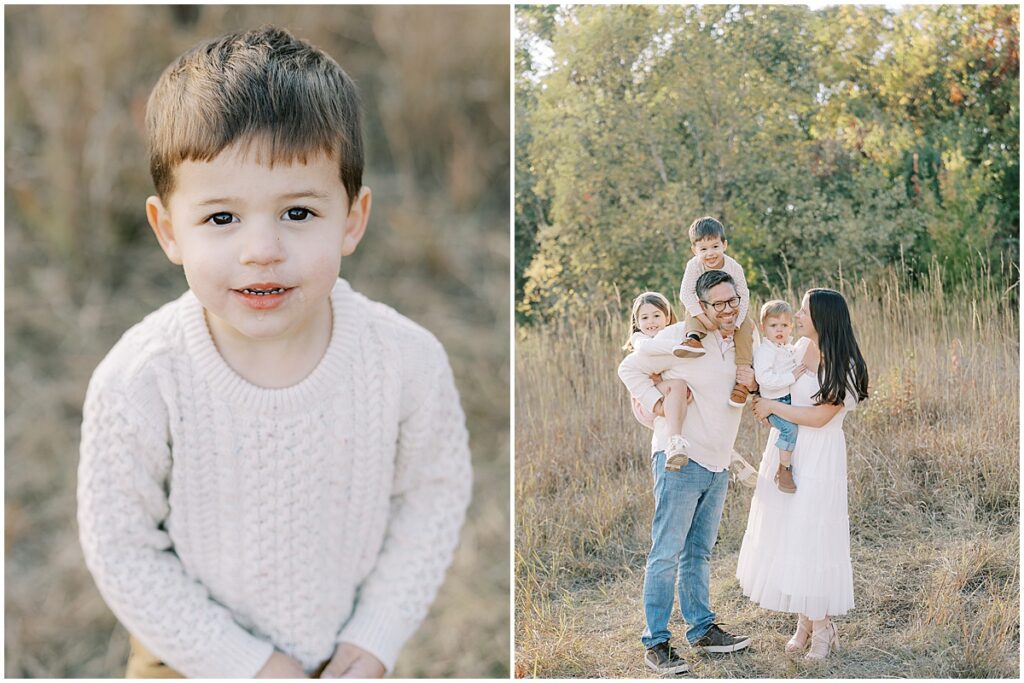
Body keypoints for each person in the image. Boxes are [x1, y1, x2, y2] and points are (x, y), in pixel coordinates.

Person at [77, 27, 472, 679]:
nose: (261, 248)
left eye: (296, 212)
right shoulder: (141, 377)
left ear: (352, 217)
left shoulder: (406, 361)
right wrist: (249, 664)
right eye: (222, 218)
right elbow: (120, 547)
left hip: (341, 650)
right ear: (168, 228)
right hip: (189, 654)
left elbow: (433, 494)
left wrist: (375, 636)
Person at [634, 270, 758, 676]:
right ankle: (656, 642)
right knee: (666, 552)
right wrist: (656, 408)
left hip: (719, 463)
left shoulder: (744, 342)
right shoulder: (678, 338)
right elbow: (629, 368)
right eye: (718, 304)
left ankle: (702, 629)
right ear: (701, 308)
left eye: (732, 300)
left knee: (698, 552)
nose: (728, 309)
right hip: (680, 460)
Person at [736, 288, 869, 661]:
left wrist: (772, 405)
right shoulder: (796, 350)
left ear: (822, 317)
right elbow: (779, 388)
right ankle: (805, 623)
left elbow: (821, 416)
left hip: (822, 453)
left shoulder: (845, 363)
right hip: (789, 451)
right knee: (792, 534)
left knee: (813, 535)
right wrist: (759, 396)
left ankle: (823, 628)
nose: (796, 315)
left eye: (804, 310)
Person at [674, 217, 756, 408]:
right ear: (694, 250)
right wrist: (706, 321)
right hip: (705, 308)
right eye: (703, 249)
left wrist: (736, 324)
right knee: (692, 309)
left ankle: (742, 380)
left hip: (731, 309)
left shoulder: (733, 267)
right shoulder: (694, 265)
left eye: (715, 246)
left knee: (746, 327)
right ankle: (693, 339)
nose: (710, 253)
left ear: (724, 245)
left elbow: (743, 295)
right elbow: (685, 294)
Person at [618, 292, 693, 470]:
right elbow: (648, 354)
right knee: (678, 385)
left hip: (662, 389)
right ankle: (674, 441)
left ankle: (730, 456)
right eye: (645, 317)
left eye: (656, 316)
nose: (651, 322)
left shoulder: (672, 334)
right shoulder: (640, 340)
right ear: (637, 323)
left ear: (667, 317)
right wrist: (681, 347)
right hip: (648, 400)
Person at [752, 300, 808, 494]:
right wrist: (791, 377)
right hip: (773, 403)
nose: (779, 330)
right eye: (773, 325)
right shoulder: (765, 350)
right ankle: (783, 469)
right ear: (763, 327)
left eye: (784, 325)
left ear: (791, 326)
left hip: (787, 400)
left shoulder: (787, 347)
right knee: (789, 430)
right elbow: (764, 379)